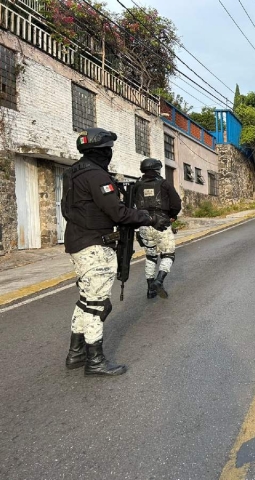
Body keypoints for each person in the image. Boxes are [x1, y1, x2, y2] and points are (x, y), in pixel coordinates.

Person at [62, 128, 171, 377]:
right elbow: (118, 213)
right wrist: (149, 218)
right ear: (103, 152)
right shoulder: (96, 175)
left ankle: (76, 353)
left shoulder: (72, 173)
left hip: (77, 242)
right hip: (94, 246)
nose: (110, 153)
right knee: (98, 304)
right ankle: (95, 360)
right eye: (109, 149)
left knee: (86, 299)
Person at [132, 158, 182, 299]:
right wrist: (172, 216)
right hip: (161, 224)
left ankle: (150, 289)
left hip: (144, 224)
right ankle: (159, 281)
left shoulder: (137, 185)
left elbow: (131, 205)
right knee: (168, 254)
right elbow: (176, 204)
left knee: (150, 256)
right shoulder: (164, 183)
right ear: (156, 169)